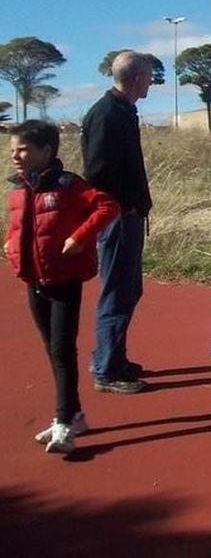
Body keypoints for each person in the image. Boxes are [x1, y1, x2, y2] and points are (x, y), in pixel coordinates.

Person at [7, 121, 120, 454]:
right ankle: (75, 414)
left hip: (63, 280)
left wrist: (78, 238)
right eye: (12, 150)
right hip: (33, 278)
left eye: (23, 149)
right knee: (52, 349)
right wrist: (10, 244)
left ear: (46, 151)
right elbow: (18, 225)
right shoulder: (18, 187)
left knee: (61, 350)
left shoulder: (69, 184)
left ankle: (64, 422)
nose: (15, 155)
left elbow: (106, 206)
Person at [81, 50, 155, 394]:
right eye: (149, 76)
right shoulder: (107, 114)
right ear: (136, 78)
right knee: (118, 288)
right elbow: (97, 172)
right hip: (118, 216)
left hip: (129, 213)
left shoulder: (123, 111)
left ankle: (114, 357)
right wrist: (122, 205)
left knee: (129, 287)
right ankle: (106, 369)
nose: (151, 82)